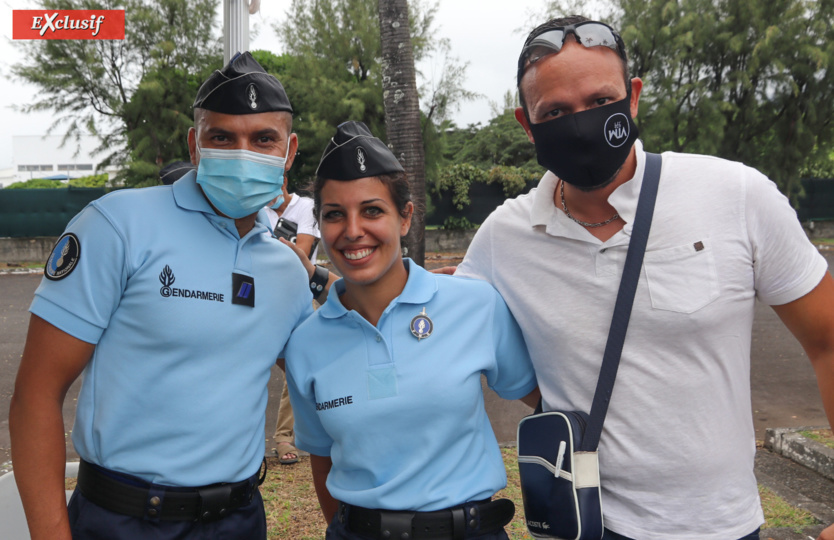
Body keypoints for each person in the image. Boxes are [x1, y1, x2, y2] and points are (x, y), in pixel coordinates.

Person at [454, 15, 834, 540]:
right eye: (556, 112)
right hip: (586, 525)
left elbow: (828, 339)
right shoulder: (505, 237)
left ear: (632, 98)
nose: (581, 124)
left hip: (721, 527)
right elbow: (447, 329)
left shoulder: (735, 195)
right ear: (527, 124)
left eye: (599, 101)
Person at [8, 52, 316, 540]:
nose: (243, 154)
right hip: (123, 520)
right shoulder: (117, 225)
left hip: (238, 520)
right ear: (195, 145)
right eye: (222, 137)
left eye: (262, 140)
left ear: (289, 150)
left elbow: (324, 375)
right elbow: (36, 396)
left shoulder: (286, 270)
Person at [283, 121, 540, 540]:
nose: (352, 231)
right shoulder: (305, 344)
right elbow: (323, 457)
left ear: (405, 218)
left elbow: (545, 402)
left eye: (372, 210)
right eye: (334, 215)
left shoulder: (474, 304)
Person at [266, 181, 321, 464]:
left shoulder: (305, 207)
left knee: (298, 364)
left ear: (284, 182)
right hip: (262, 295)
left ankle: (285, 436)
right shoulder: (258, 210)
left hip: (300, 293)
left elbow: (301, 254)